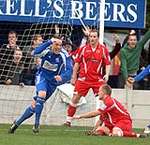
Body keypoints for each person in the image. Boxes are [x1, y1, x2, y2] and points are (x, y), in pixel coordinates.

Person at [8, 36, 73, 134]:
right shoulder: (46, 50)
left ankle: (16, 123)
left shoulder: (64, 55)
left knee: (34, 106)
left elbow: (69, 70)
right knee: (41, 94)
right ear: (52, 44)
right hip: (42, 77)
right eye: (56, 44)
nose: (59, 47)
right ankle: (36, 124)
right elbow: (34, 53)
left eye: (60, 45)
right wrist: (48, 42)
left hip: (53, 82)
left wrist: (62, 77)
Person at [64, 29, 111, 127]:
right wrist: (74, 76)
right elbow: (76, 63)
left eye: (94, 37)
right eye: (91, 36)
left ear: (98, 38)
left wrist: (107, 74)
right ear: (88, 38)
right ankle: (68, 121)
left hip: (97, 79)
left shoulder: (103, 49)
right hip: (83, 79)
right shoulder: (83, 49)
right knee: (75, 98)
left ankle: (104, 123)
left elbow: (107, 64)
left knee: (104, 100)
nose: (92, 38)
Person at [73, 84, 147, 138]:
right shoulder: (105, 102)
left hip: (124, 121)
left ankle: (137, 135)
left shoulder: (109, 101)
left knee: (115, 133)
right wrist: (94, 130)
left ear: (103, 92)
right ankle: (110, 133)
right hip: (114, 124)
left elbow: (95, 113)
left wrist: (80, 116)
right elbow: (100, 120)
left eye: (99, 91)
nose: (98, 93)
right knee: (99, 129)